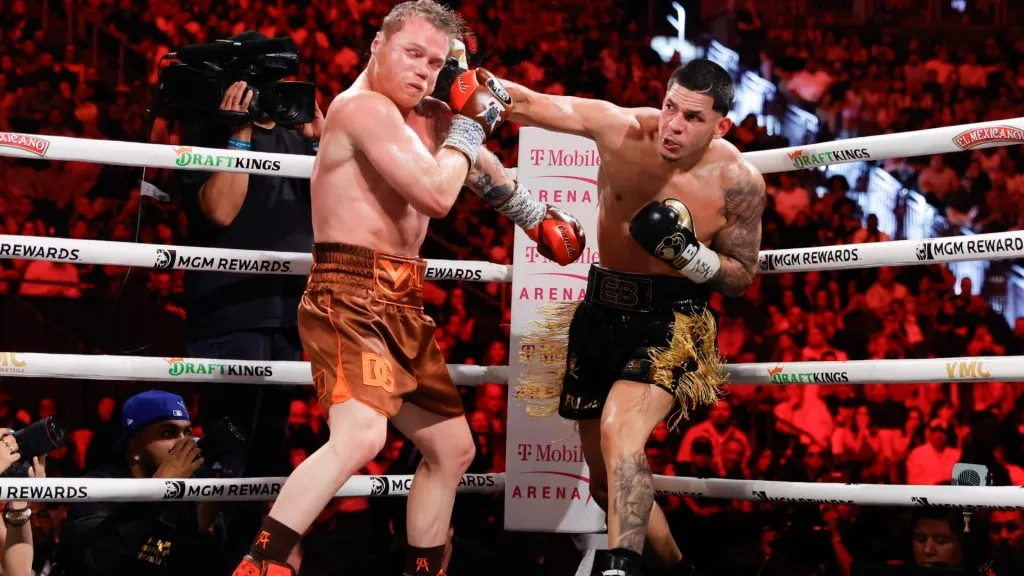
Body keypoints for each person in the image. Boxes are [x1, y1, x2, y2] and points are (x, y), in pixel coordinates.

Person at [233, 3, 583, 576]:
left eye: (436, 61)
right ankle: (263, 562)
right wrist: (471, 123)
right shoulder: (360, 109)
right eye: (412, 53)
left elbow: (481, 169)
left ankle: (424, 569)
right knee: (360, 438)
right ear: (377, 45)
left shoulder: (429, 116)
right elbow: (437, 194)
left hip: (402, 299)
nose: (423, 70)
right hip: (346, 293)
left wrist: (534, 217)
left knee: (452, 450)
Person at [503, 59, 767, 575]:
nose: (672, 124)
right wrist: (459, 80)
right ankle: (677, 569)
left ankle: (621, 566)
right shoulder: (622, 129)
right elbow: (531, 103)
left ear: (721, 125)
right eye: (670, 107)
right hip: (600, 308)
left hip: (674, 318)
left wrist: (691, 255)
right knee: (603, 483)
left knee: (620, 432)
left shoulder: (739, 180)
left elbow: (741, 275)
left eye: (692, 117)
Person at [175, 29, 322, 571]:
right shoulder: (207, 131)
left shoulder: (293, 136)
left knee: (266, 462)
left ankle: (254, 565)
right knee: (225, 459)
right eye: (262, 84)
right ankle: (210, 564)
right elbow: (220, 211)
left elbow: (330, 213)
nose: (270, 94)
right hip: (231, 314)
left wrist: (320, 146)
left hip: (287, 317)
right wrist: (237, 133)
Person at [52, 390, 226, 576]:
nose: (185, 444)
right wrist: (158, 489)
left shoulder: (192, 489)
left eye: (187, 432)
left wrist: (205, 531)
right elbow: (94, 560)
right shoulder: (100, 487)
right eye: (168, 433)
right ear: (134, 444)